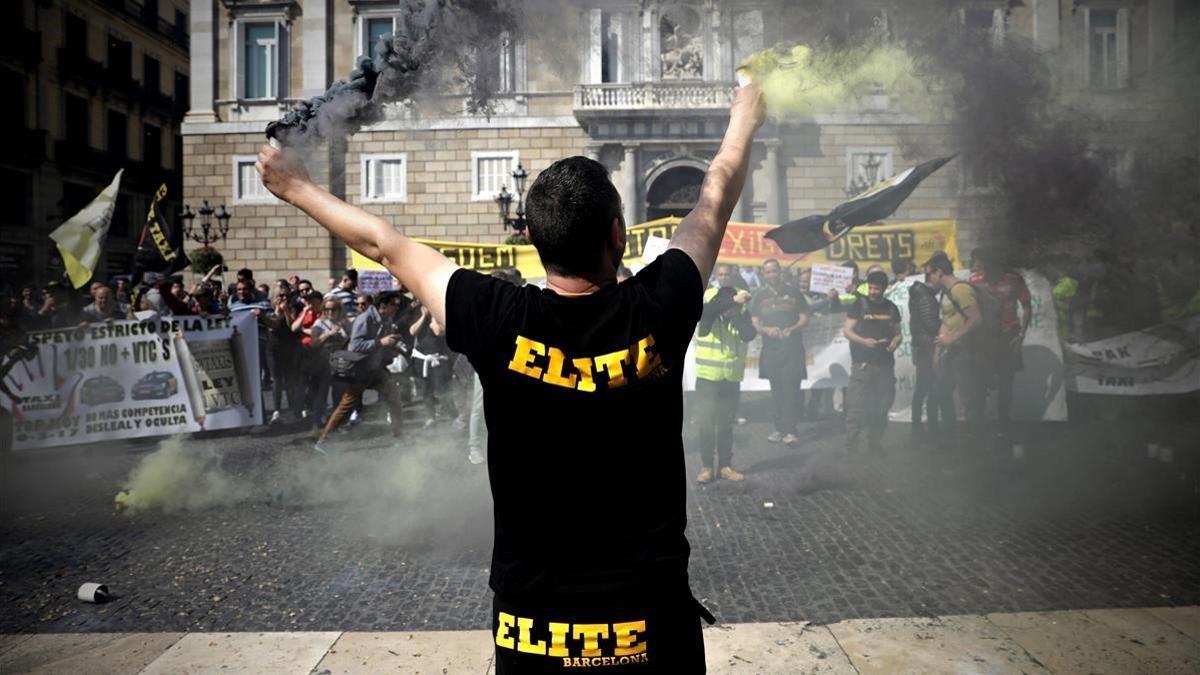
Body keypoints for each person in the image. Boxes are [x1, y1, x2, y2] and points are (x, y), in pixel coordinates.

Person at [256, 81, 765, 672]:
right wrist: (745, 115)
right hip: (650, 626)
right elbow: (715, 195)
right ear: (619, 237)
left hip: (535, 630)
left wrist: (295, 187)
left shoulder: (494, 314)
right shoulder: (663, 302)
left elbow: (384, 245)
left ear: (532, 238)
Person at [314, 290, 408, 451]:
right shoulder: (365, 319)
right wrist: (381, 342)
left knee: (394, 398)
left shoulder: (386, 319)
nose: (396, 307)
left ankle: (399, 437)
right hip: (359, 369)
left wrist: (393, 345)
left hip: (376, 368)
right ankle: (323, 441)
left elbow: (382, 343)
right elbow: (355, 346)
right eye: (394, 304)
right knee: (347, 405)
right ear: (383, 306)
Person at [694, 264, 756, 483]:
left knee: (726, 424)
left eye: (726, 274)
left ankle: (725, 466)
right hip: (707, 376)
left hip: (730, 376)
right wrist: (730, 304)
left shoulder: (743, 302)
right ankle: (707, 466)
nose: (723, 277)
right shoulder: (708, 296)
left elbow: (749, 334)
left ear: (733, 275)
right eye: (720, 274)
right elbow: (705, 315)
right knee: (706, 423)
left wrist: (736, 315)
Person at [968, 248, 1031, 433]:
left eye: (980, 262)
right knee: (980, 379)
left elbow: (1027, 306)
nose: (978, 266)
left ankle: (1004, 421)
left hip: (1009, 336)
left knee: (1006, 381)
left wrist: (1022, 335)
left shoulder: (1014, 280)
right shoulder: (975, 281)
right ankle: (979, 422)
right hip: (985, 338)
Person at [925, 251, 983, 444]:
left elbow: (976, 319)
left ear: (939, 272)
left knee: (969, 397)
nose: (929, 279)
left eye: (930, 274)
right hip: (950, 352)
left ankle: (976, 440)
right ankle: (949, 436)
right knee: (941, 391)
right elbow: (946, 322)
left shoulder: (960, 290)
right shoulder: (946, 293)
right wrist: (938, 350)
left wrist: (953, 338)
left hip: (965, 351)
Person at [751, 258, 809, 446]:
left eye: (774, 271)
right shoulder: (759, 296)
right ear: (763, 274)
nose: (771, 275)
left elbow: (804, 318)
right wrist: (766, 330)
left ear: (780, 272)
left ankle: (791, 430)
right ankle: (779, 429)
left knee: (792, 389)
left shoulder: (794, 292)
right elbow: (755, 321)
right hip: (771, 350)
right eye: (768, 272)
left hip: (792, 349)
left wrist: (792, 328)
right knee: (776, 390)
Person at [843, 270, 902, 454]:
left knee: (881, 407)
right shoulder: (858, 305)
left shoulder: (891, 308)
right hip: (862, 366)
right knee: (856, 409)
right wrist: (863, 341)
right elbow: (848, 331)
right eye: (871, 287)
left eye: (877, 288)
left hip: (884, 365)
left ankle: (874, 444)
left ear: (884, 289)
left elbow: (898, 333)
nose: (873, 291)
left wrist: (894, 342)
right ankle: (851, 449)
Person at [409, 301, 458, 426]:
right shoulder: (419, 314)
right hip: (423, 359)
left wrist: (434, 316)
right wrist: (424, 316)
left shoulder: (441, 314)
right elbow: (412, 331)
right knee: (426, 391)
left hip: (438, 360)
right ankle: (430, 417)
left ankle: (453, 416)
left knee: (442, 390)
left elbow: (439, 332)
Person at [908, 262, 941, 440]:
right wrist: (945, 330)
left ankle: (917, 427)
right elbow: (930, 323)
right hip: (928, 346)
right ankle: (930, 428)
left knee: (922, 388)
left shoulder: (919, 294)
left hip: (921, 345)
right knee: (930, 388)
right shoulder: (926, 297)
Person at [310, 296, 351, 426]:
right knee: (321, 393)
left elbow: (352, 340)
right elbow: (314, 343)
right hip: (324, 362)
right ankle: (318, 422)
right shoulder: (319, 323)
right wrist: (328, 334)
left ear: (339, 310)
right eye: (327, 309)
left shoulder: (345, 323)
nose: (330, 312)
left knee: (339, 394)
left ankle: (337, 422)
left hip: (341, 361)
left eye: (333, 309)